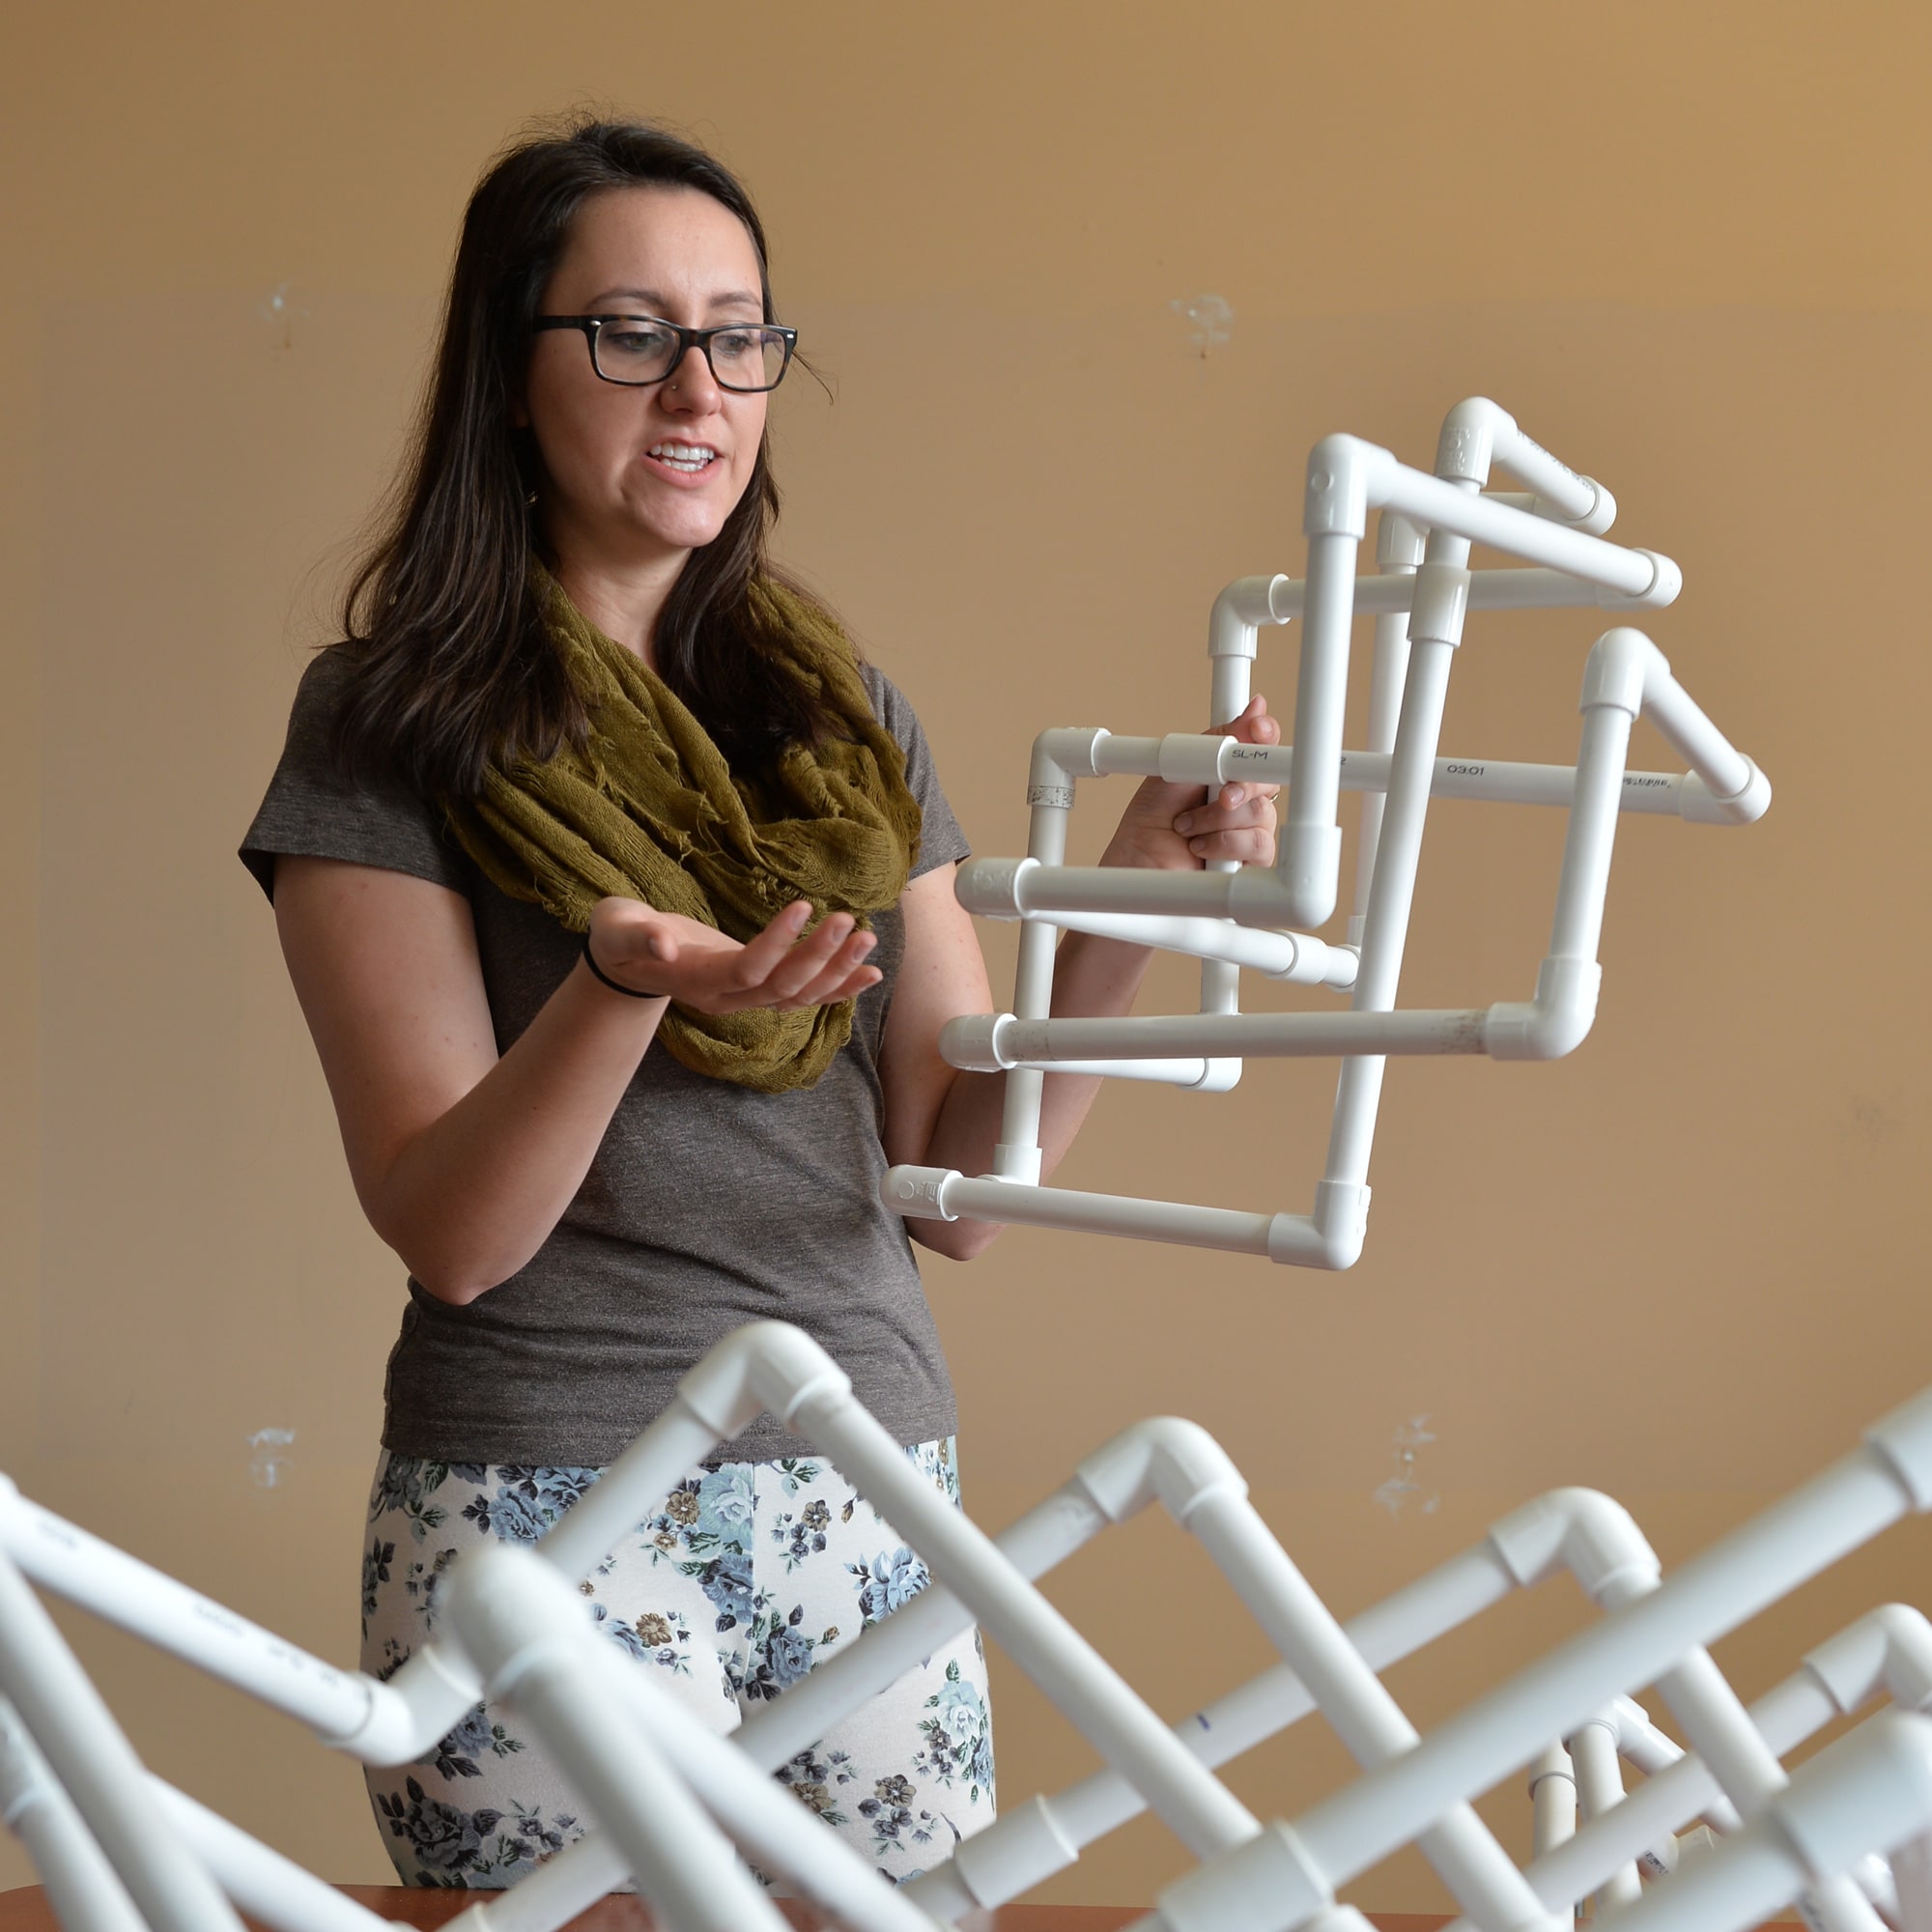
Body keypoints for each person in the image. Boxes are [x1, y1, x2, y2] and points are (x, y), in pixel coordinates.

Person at [240, 117, 1279, 1889]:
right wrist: (624, 983)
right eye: (630, 333)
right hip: (547, 1496)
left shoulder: (839, 718)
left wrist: (1138, 893)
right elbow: (454, 1233)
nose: (697, 386)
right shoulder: (387, 724)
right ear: (510, 372)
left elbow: (958, 1171)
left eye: (740, 334)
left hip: (868, 1478)